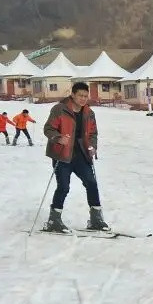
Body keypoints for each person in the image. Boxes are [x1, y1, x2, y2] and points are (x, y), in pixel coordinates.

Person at [42, 81, 110, 232]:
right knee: (64, 187)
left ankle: (96, 220)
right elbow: (48, 129)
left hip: (81, 154)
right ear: (73, 95)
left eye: (86, 96)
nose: (83, 99)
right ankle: (54, 220)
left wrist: (93, 146)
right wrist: (58, 138)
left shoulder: (89, 113)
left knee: (91, 183)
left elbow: (93, 134)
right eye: (80, 95)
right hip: (63, 154)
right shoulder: (59, 109)